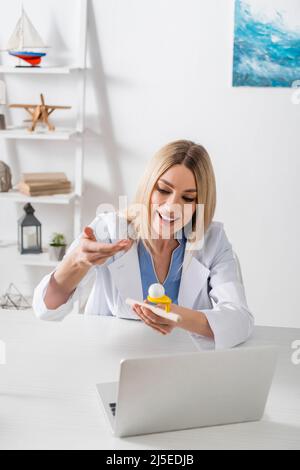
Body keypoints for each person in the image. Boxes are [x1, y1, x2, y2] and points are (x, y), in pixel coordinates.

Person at [32, 140, 254, 350]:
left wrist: (176, 316)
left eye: (187, 198)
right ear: (148, 187)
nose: (171, 207)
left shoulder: (213, 240)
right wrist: (76, 263)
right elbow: (46, 310)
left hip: (183, 366)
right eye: (164, 190)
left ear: (200, 204)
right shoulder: (109, 230)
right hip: (112, 364)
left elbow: (240, 319)